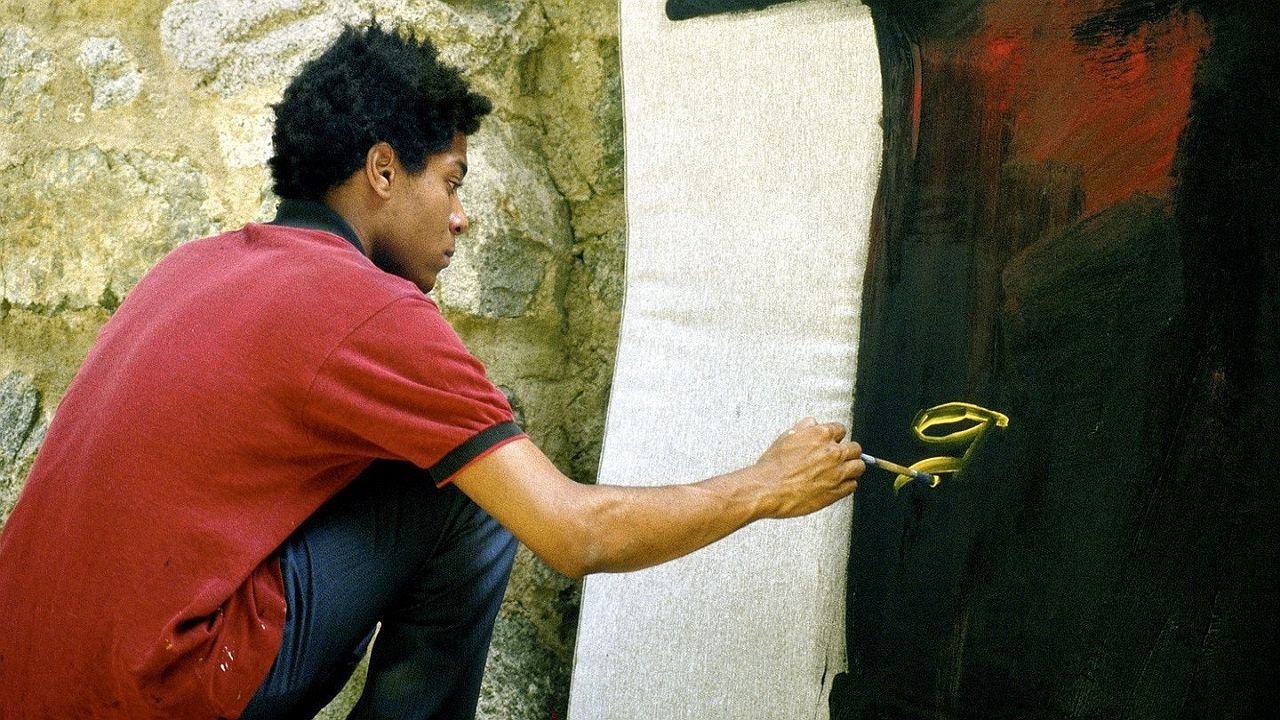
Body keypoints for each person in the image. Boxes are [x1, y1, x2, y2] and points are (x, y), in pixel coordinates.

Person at [0, 22, 864, 720]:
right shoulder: (368, 309)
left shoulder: (192, 265)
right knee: (472, 492)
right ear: (382, 170)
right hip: (159, 688)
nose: (460, 217)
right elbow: (573, 533)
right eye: (451, 182)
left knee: (428, 455)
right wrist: (766, 485)